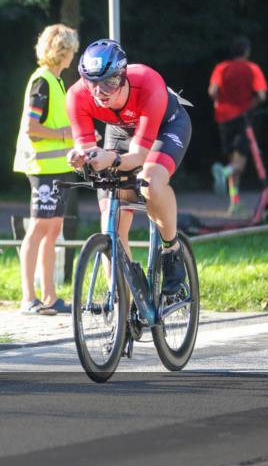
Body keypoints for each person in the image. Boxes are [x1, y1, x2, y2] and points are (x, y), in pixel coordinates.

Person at [65, 39, 192, 296]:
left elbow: (139, 155)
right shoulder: (76, 96)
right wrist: (81, 158)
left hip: (165, 127)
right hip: (119, 131)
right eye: (92, 83)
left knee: (150, 181)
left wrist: (111, 159)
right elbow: (88, 149)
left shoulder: (148, 83)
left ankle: (171, 251)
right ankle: (123, 300)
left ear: (122, 77)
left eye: (109, 83)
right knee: (111, 219)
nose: (100, 92)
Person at [12, 24, 79, 316]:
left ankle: (50, 296)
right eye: (72, 50)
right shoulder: (42, 82)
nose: (73, 56)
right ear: (63, 51)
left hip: (59, 168)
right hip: (42, 168)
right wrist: (67, 134)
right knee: (39, 229)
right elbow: (32, 127)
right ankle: (29, 298)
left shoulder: (57, 81)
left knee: (53, 230)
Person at [208, 36, 268, 215]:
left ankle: (234, 202)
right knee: (239, 164)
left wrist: (217, 101)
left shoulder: (221, 68)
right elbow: (262, 95)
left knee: (234, 162)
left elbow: (212, 91)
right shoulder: (252, 68)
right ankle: (223, 173)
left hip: (223, 119)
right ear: (247, 51)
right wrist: (251, 105)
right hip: (244, 119)